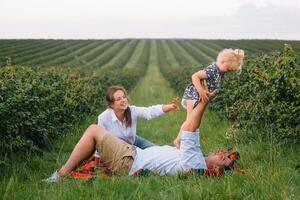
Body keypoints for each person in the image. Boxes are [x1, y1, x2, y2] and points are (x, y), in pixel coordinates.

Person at [44, 81, 237, 182]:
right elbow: (183, 136)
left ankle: (60, 175)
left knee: (93, 130)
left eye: (222, 158)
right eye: (224, 154)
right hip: (133, 153)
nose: (221, 153)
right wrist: (189, 107)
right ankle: (74, 166)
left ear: (215, 169)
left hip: (130, 160)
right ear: (111, 105)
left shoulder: (196, 162)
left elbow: (190, 128)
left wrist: (204, 102)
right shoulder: (193, 158)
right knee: (101, 131)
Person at [173, 48, 245, 148]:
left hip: (200, 97)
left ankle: (188, 142)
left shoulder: (220, 73)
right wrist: (201, 91)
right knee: (190, 120)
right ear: (223, 61)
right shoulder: (213, 69)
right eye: (228, 69)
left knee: (195, 122)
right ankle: (178, 140)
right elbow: (195, 76)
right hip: (193, 94)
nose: (227, 72)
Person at [93, 85, 180, 166]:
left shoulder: (132, 110)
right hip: (120, 150)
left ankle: (179, 156)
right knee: (145, 163)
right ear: (112, 104)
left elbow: (150, 112)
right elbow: (100, 143)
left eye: (124, 97)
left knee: (158, 151)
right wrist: (96, 166)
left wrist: (170, 106)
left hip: (133, 140)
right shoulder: (103, 118)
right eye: (119, 99)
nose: (123, 100)